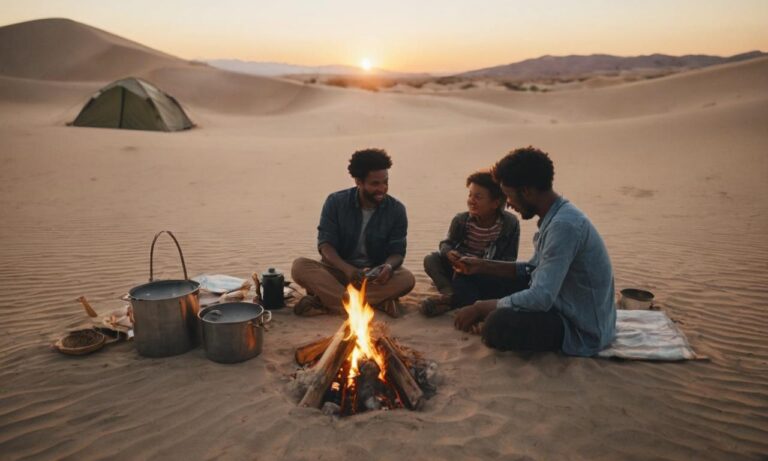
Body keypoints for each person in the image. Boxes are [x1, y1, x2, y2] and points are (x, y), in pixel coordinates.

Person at [453, 146, 616, 356]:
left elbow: (541, 297)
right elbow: (532, 270)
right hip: (558, 300)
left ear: (527, 191)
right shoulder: (555, 216)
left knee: (497, 324)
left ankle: (480, 318)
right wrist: (483, 265)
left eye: (509, 196)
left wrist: (482, 308)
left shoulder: (564, 225)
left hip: (578, 326)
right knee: (471, 276)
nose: (509, 205)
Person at [291, 148, 415, 317]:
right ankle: (373, 303)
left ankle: (329, 303)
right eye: (375, 184)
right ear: (359, 181)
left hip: (373, 277)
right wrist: (347, 269)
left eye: (385, 182)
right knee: (299, 266)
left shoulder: (396, 210)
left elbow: (397, 252)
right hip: (338, 272)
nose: (382, 189)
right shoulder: (336, 202)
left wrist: (388, 266)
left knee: (407, 279)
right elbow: (325, 245)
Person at [421, 170, 521, 317]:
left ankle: (452, 301)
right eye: (470, 195)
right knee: (431, 259)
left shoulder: (510, 224)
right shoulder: (461, 220)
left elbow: (510, 260)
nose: (471, 201)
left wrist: (481, 265)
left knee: (507, 282)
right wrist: (449, 253)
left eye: (478, 197)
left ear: (495, 202)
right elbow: (446, 243)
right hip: (458, 268)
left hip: (487, 272)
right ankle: (448, 293)